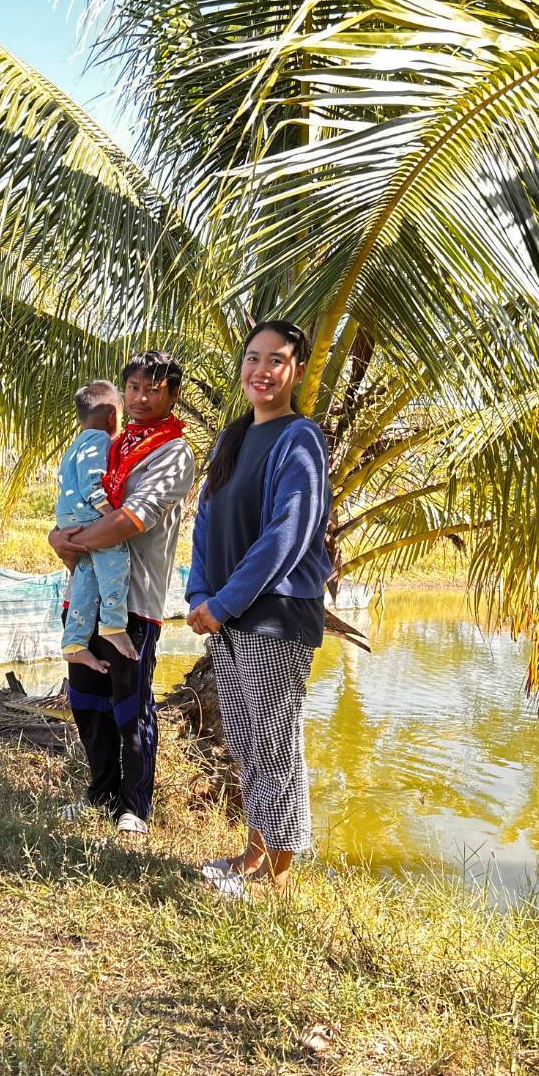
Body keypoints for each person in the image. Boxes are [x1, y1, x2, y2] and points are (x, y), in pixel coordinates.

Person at [185, 321, 332, 897]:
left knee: (275, 742)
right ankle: (254, 854)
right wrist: (199, 594)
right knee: (247, 741)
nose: (261, 370)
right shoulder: (233, 437)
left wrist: (222, 603)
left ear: (297, 371)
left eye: (276, 360)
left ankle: (277, 875)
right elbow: (205, 520)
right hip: (227, 614)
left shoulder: (301, 438)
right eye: (253, 358)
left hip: (274, 614)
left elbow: (286, 534)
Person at [49, 352, 195, 836]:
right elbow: (77, 499)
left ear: (173, 395)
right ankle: (100, 794)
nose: (141, 398)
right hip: (84, 596)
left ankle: (134, 806)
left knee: (129, 705)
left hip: (135, 602)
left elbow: (133, 518)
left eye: (153, 389)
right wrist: (57, 535)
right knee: (87, 701)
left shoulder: (172, 452)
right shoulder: (111, 443)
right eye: (133, 387)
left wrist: (71, 541)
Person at [56, 380, 137, 671]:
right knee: (115, 554)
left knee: (86, 576)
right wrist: (107, 511)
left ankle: (74, 643)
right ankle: (113, 624)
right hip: (86, 513)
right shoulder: (99, 439)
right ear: (112, 416)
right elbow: (91, 481)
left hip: (67, 517)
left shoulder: (75, 444)